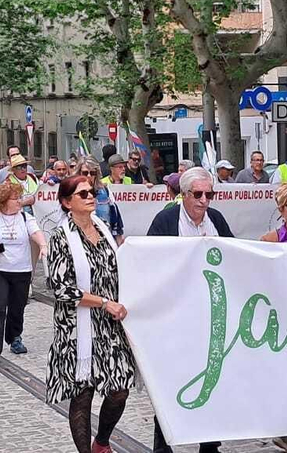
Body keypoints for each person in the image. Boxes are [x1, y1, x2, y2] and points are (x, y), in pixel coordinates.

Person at [45, 175, 135, 453]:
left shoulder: (103, 228)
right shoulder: (61, 237)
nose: (90, 197)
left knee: (120, 389)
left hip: (110, 325)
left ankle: (102, 442)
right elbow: (60, 288)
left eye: (91, 192)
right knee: (83, 395)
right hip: (78, 326)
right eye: (82, 194)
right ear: (66, 202)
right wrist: (104, 302)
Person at [147, 167, 231, 453]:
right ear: (184, 195)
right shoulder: (166, 220)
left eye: (210, 194)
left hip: (210, 314)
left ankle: (209, 443)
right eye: (198, 194)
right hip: (176, 315)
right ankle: (163, 443)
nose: (204, 200)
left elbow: (233, 254)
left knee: (212, 377)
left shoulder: (216, 219)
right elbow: (150, 261)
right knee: (170, 380)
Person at [0, 181, 48, 364]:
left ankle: (14, 337)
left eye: (20, 198)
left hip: (21, 269)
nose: (19, 202)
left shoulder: (24, 218)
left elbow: (36, 232)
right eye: (16, 199)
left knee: (17, 306)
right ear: (4, 201)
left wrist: (43, 245)